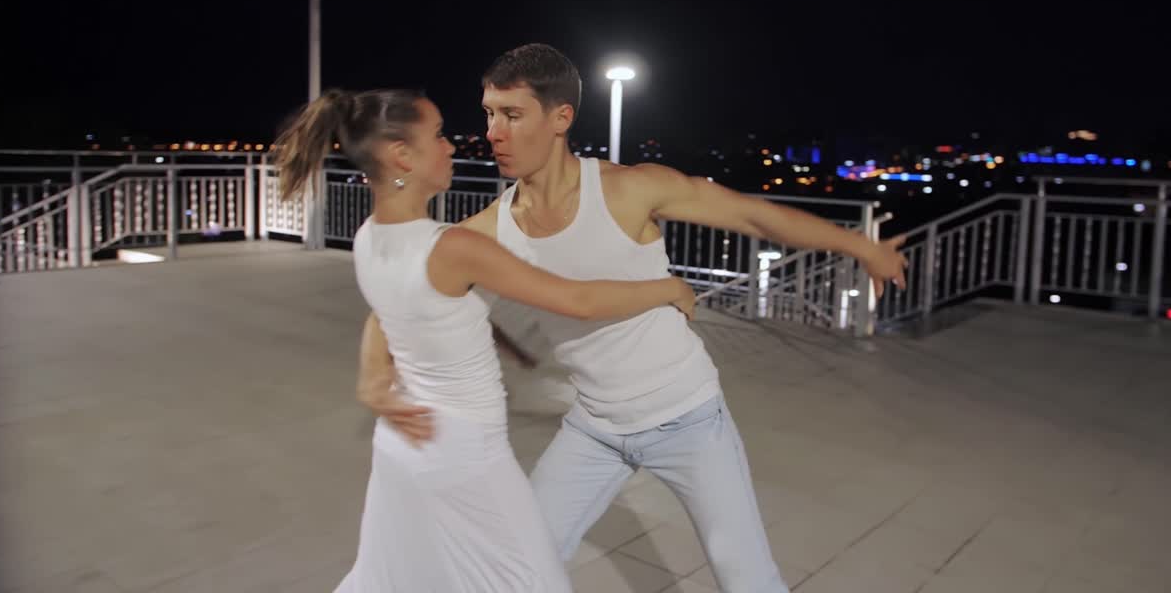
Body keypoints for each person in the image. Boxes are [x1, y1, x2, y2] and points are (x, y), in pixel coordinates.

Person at [360, 44, 909, 593]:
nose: (493, 132)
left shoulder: (628, 189)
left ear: (560, 118)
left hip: (688, 417)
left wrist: (861, 247)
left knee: (745, 576)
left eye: (511, 114)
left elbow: (752, 215)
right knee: (521, 566)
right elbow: (405, 291)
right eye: (488, 114)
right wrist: (374, 376)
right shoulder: (488, 228)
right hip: (594, 428)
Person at [271, 87, 696, 592]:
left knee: (398, 580)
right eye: (438, 135)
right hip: (464, 455)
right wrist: (667, 287)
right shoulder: (452, 248)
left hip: (404, 448)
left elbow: (384, 314)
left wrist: (372, 378)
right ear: (401, 155)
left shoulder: (368, 238)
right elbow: (576, 300)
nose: (452, 146)